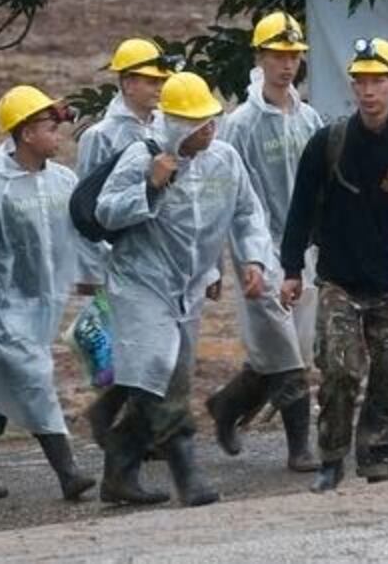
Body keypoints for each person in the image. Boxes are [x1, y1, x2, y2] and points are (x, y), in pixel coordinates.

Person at [95, 73, 270, 507]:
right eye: (196, 123)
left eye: (210, 120)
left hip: (188, 286)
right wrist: (150, 185)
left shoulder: (225, 161)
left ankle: (118, 461)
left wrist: (252, 259)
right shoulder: (142, 157)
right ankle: (187, 474)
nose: (207, 130)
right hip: (140, 281)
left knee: (164, 377)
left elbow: (247, 213)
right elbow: (105, 212)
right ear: (174, 124)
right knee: (162, 369)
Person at [281, 38, 388, 492]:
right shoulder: (329, 141)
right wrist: (291, 269)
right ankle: (333, 458)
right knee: (340, 368)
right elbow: (300, 208)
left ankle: (376, 453)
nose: (368, 91)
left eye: (378, 81)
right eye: (360, 81)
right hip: (339, 275)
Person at [0, 86, 95, 502]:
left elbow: (79, 238)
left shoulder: (63, 180)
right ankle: (68, 473)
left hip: (46, 305)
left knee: (1, 390)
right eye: (51, 128)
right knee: (34, 380)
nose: (58, 136)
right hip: (5, 308)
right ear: (26, 133)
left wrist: (92, 276)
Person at [209, 12, 323, 472]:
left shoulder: (309, 117)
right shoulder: (241, 123)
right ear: (260, 57)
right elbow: (228, 195)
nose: (287, 64)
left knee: (292, 346)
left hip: (304, 251)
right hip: (258, 247)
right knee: (283, 347)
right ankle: (300, 448)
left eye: (294, 55)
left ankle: (226, 404)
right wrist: (225, 261)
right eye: (278, 54)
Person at [75, 38, 179, 447]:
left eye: (160, 80)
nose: (157, 87)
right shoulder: (100, 136)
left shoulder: (161, 128)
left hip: (155, 255)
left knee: (146, 349)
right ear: (127, 82)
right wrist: (92, 269)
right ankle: (133, 434)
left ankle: (119, 421)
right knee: (136, 349)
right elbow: (85, 208)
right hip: (117, 256)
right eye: (149, 80)